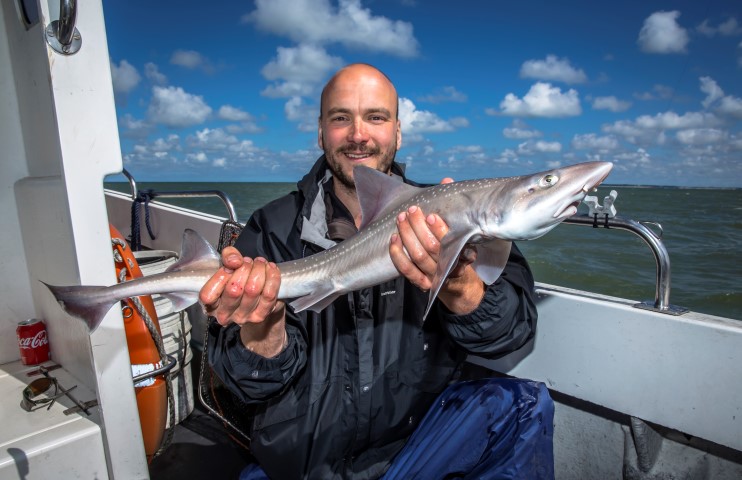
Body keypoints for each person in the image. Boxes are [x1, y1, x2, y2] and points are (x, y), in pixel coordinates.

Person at [200, 63, 554, 479]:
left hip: (413, 449)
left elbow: (510, 333)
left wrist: (457, 282)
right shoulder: (273, 229)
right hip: (306, 463)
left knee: (522, 405)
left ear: (398, 132)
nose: (358, 134)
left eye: (375, 117)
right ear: (320, 132)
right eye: (340, 118)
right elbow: (243, 381)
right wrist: (264, 332)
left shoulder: (448, 217)